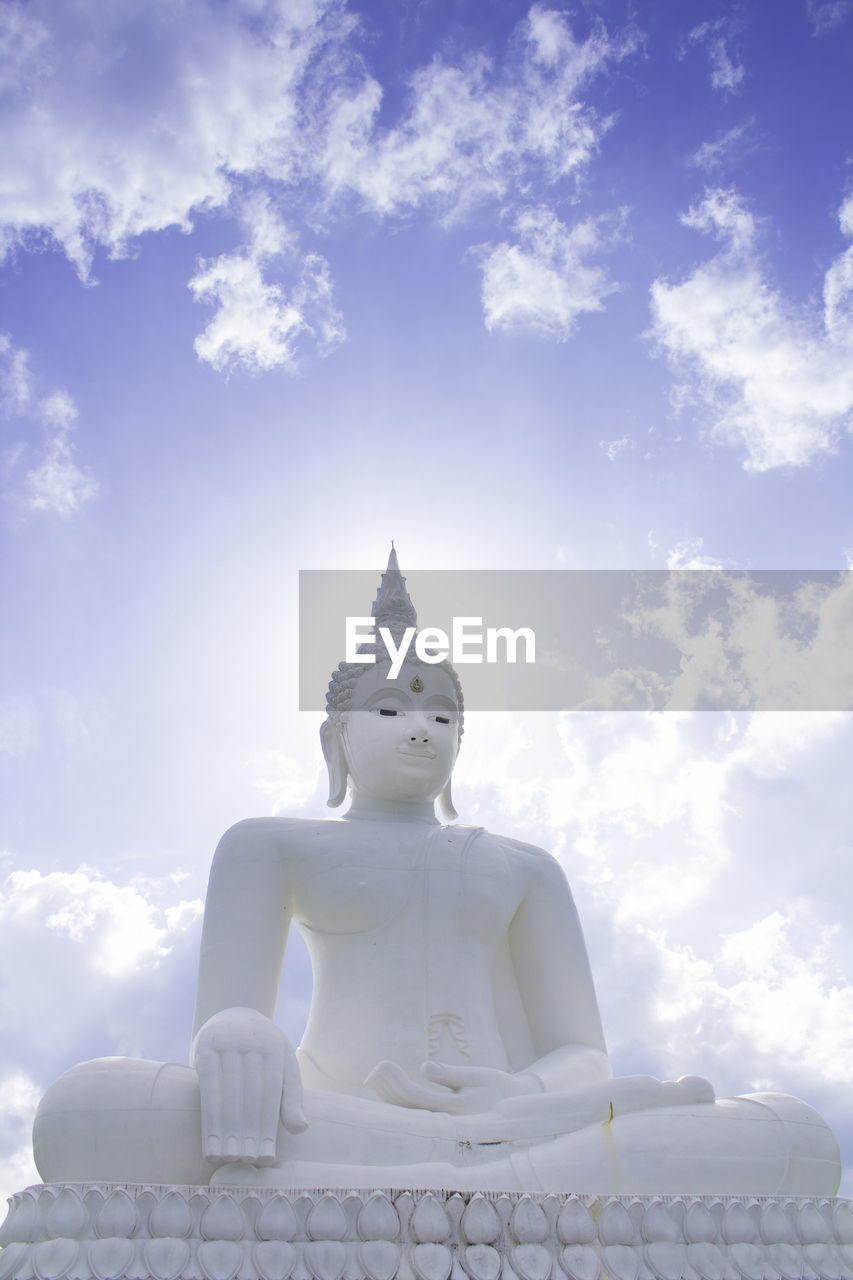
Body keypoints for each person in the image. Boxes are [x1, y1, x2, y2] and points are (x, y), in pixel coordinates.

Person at [33, 553, 841, 1194]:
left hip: (517, 1124)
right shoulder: (267, 844)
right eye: (389, 710)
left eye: (441, 715)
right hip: (330, 1117)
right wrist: (238, 1033)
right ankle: (480, 1179)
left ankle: (427, 1180)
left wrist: (518, 1098)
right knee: (88, 1110)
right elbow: (226, 1021)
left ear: (462, 740)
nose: (419, 730)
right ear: (335, 738)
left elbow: (580, 1055)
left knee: (797, 1136)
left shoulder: (523, 866)